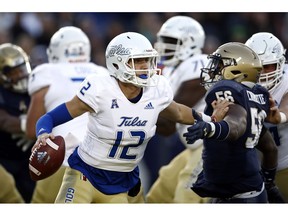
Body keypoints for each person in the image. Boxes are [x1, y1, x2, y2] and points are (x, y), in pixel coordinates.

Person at [31, 32, 229, 203]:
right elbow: (50, 117)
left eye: (146, 60)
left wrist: (211, 120)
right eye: (137, 61)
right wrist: (43, 133)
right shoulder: (100, 89)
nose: (144, 66)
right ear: (118, 63)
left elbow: (179, 112)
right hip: (86, 173)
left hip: (121, 181)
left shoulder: (156, 89)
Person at [183, 42, 282, 203]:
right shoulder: (257, 94)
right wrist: (269, 183)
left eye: (220, 64)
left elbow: (237, 123)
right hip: (253, 191)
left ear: (236, 70)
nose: (214, 70)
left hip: (237, 195)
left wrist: (211, 128)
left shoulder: (226, 89)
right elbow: (270, 148)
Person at [25, 26, 109, 203]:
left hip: (61, 161)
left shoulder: (45, 73)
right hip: (105, 163)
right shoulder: (102, 73)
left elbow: (32, 130)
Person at [145, 15, 209, 203]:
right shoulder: (173, 71)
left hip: (212, 146)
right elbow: (167, 130)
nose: (163, 45)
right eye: (162, 40)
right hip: (193, 148)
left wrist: (138, 108)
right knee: (158, 196)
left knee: (185, 200)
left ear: (190, 43)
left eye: (170, 41)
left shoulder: (198, 64)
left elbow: (173, 117)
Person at [245, 32, 288, 202]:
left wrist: (281, 116)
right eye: (256, 67)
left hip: (285, 167)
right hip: (250, 171)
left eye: (268, 66)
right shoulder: (238, 82)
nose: (262, 73)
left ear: (281, 63)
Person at [0, 43, 35, 203]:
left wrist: (34, 130)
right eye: (15, 72)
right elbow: (4, 120)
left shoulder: (37, 85)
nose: (21, 75)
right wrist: (29, 127)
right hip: (5, 160)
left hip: (31, 161)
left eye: (22, 69)